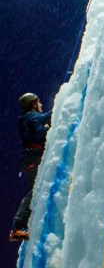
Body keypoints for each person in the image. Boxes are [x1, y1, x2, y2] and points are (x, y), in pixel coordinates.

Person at [9, 93, 52, 242]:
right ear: (33, 104)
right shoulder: (32, 116)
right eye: (38, 102)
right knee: (35, 190)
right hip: (33, 158)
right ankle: (18, 226)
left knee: (36, 189)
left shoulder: (26, 119)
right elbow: (41, 129)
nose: (40, 105)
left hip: (29, 158)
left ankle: (21, 225)